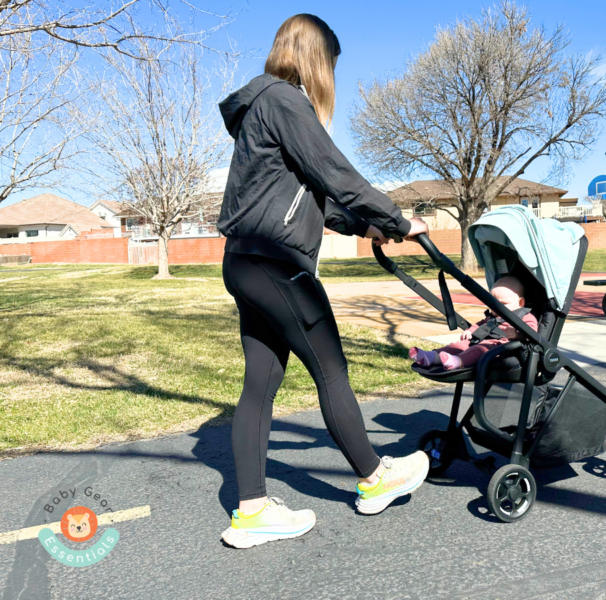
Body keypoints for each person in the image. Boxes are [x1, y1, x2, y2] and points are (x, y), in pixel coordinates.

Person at [216, 13, 430, 549]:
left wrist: (371, 226)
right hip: (276, 263)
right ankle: (375, 479)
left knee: (259, 387)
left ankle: (252, 512)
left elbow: (321, 200)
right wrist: (400, 219)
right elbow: (336, 174)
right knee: (331, 370)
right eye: (331, 63)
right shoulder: (286, 101)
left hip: (243, 261)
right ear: (316, 58)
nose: (331, 74)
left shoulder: (257, 111)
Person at [409, 276, 538, 370]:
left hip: (502, 347)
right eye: (493, 304)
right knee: (458, 345)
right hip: (481, 340)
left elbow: (532, 332)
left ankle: (458, 361)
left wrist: (517, 334)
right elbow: (481, 323)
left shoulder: (526, 316)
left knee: (478, 350)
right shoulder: (493, 316)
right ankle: (431, 356)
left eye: (503, 304)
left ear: (520, 303)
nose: (497, 308)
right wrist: (470, 331)